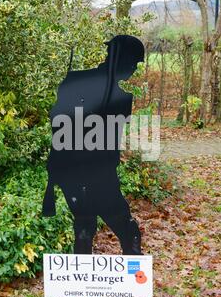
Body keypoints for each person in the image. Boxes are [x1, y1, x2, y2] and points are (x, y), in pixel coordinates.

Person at [42, 34, 145, 255]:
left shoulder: (118, 96)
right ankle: (86, 280)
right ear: (123, 60)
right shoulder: (77, 82)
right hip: (77, 169)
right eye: (134, 63)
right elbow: (58, 122)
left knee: (95, 221)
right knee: (90, 224)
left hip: (93, 170)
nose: (135, 69)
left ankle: (131, 270)